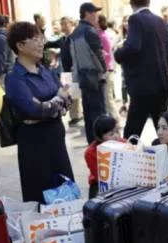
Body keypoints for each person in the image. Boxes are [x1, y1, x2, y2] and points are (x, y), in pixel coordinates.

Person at [5, 21, 74, 204]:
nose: (41, 43)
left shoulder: (46, 71)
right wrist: (56, 101)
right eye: (35, 39)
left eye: (40, 38)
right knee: (41, 194)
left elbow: (67, 100)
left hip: (56, 140)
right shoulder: (15, 78)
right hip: (34, 144)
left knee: (64, 189)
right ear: (20, 45)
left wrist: (50, 105)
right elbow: (32, 110)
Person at [114, 0, 168, 139]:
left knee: (131, 134)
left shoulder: (135, 18)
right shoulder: (159, 20)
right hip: (161, 84)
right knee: (163, 131)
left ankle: (129, 160)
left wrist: (118, 52)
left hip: (143, 86)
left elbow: (133, 46)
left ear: (132, 3)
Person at [63, 2, 107, 144]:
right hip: (94, 77)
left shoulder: (75, 32)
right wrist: (104, 70)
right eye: (94, 12)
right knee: (99, 113)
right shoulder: (90, 31)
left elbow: (68, 57)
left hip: (82, 78)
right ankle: (101, 146)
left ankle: (92, 144)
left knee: (88, 114)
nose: (96, 15)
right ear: (87, 13)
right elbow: (98, 54)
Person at [46, 16, 83, 127]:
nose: (63, 26)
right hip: (66, 70)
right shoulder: (62, 39)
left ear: (72, 24)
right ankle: (75, 115)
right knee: (69, 94)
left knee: (75, 94)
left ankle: (76, 115)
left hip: (74, 69)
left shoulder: (75, 37)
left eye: (65, 24)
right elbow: (49, 44)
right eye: (62, 24)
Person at [85, 114, 122, 199]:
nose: (116, 136)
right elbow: (100, 177)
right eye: (111, 134)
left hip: (122, 180)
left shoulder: (124, 143)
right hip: (99, 182)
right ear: (100, 137)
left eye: (117, 131)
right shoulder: (91, 153)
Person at [97, 14, 119, 118]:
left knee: (108, 99)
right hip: (105, 70)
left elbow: (107, 55)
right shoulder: (100, 34)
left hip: (107, 70)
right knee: (105, 99)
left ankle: (116, 121)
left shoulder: (103, 35)